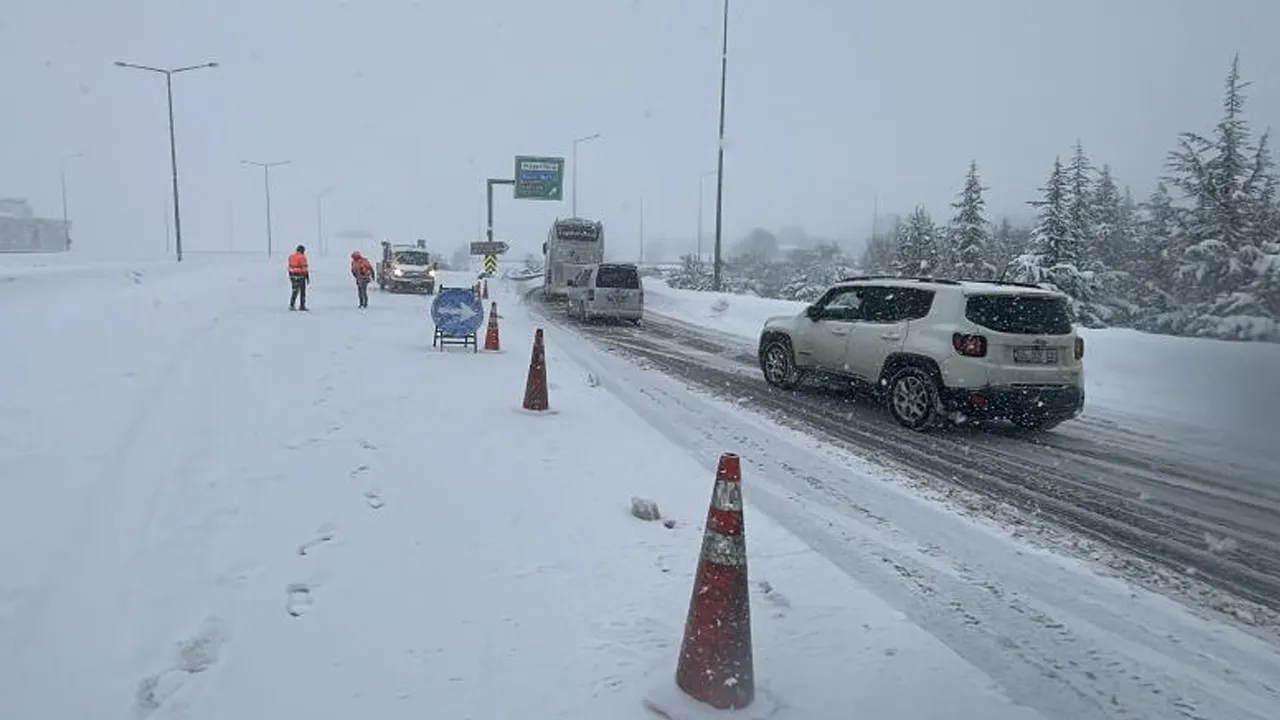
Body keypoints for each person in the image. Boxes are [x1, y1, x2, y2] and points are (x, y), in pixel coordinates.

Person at [288, 244, 310, 311]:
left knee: (295, 290)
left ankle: (292, 305)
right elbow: (304, 268)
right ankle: (302, 306)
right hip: (300, 275)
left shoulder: (291, 256)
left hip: (292, 275)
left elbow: (290, 266)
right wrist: (307, 277)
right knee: (302, 290)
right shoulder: (302, 257)